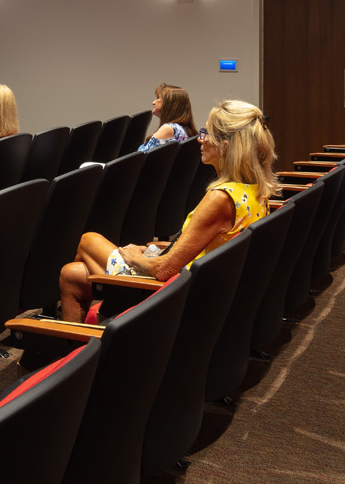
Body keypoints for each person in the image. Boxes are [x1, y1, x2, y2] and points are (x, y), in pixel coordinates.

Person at [59, 99, 277, 322]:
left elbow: (163, 270)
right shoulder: (256, 191)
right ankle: (78, 346)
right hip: (197, 287)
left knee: (88, 239)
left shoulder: (221, 198)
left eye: (207, 133)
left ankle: (108, 317)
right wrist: (158, 248)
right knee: (72, 273)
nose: (200, 139)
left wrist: (135, 257)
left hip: (171, 296)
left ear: (225, 146)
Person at [140, 83, 197, 151]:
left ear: (168, 104)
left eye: (158, 98)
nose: (153, 102)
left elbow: (144, 159)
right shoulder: (182, 130)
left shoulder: (168, 128)